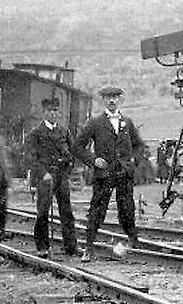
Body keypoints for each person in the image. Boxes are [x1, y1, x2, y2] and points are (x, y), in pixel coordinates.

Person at [73, 86, 145, 262]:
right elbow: (77, 146)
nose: (112, 100)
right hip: (104, 174)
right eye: (108, 97)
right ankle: (89, 247)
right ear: (103, 100)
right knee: (97, 210)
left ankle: (134, 241)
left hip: (123, 173)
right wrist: (93, 160)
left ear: (119, 100)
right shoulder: (95, 122)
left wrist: (133, 161)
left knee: (127, 208)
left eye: (115, 97)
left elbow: (139, 146)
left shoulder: (127, 122)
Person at [24, 97, 78, 258]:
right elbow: (29, 158)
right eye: (50, 111)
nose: (54, 114)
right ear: (44, 112)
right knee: (43, 212)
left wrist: (67, 169)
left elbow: (73, 153)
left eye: (56, 111)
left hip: (61, 176)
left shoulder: (64, 132)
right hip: (45, 177)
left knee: (66, 211)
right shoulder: (36, 133)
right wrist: (43, 174)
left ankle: (71, 246)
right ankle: (42, 247)